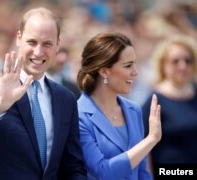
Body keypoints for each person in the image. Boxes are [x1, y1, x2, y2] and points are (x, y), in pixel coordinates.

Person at [0, 7, 87, 180]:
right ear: (18, 38)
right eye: (32, 42)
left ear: (57, 44)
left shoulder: (66, 98)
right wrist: (1, 105)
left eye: (47, 44)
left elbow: (72, 165)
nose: (38, 52)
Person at [77, 32, 161, 180]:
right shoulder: (79, 115)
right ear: (104, 71)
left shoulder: (133, 110)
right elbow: (103, 172)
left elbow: (142, 171)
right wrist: (151, 139)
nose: (135, 72)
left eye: (135, 63)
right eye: (128, 65)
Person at [142, 34, 197, 173]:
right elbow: (144, 147)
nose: (182, 66)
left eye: (187, 60)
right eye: (175, 61)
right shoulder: (154, 102)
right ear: (163, 65)